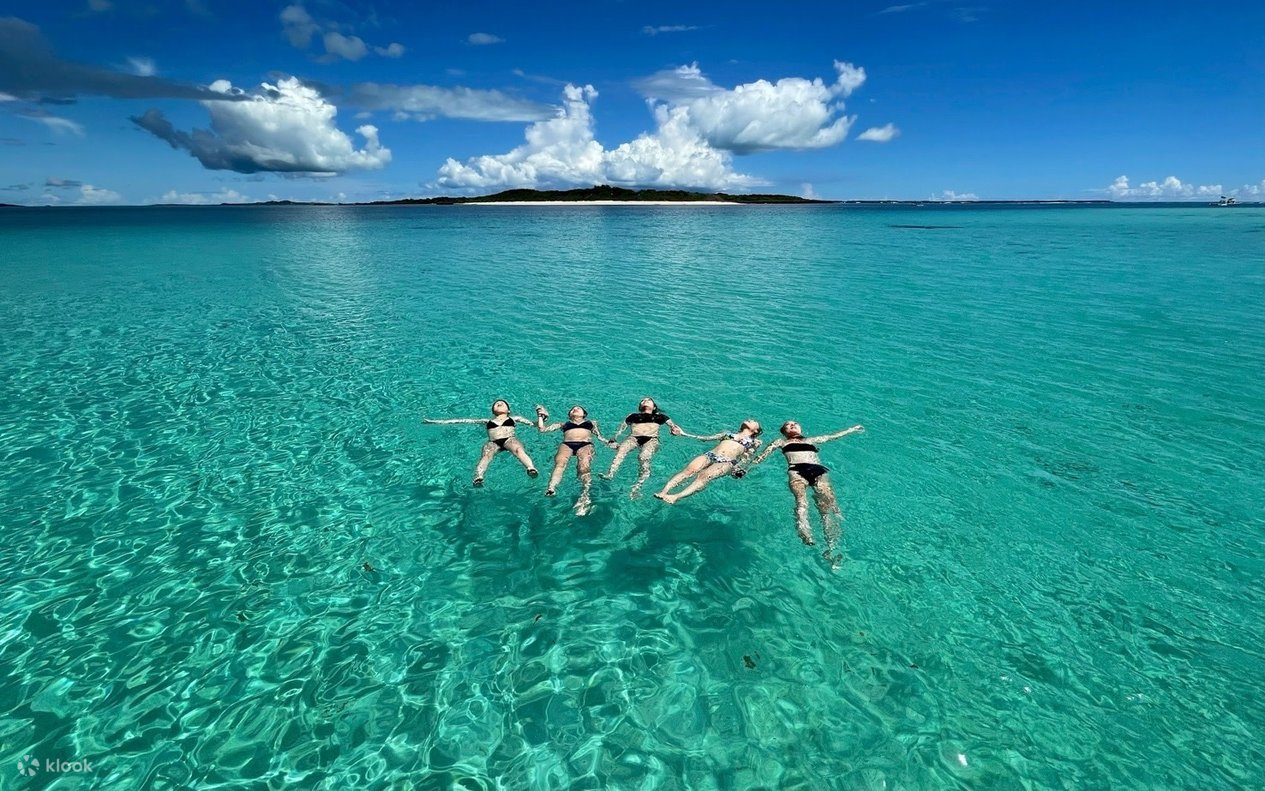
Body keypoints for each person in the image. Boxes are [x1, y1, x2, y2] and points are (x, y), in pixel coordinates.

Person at [744, 421, 864, 552]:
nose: (792, 425)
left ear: (800, 428)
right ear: (784, 432)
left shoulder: (811, 440)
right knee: (801, 501)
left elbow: (832, 436)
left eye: (795, 423)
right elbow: (763, 455)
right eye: (788, 425)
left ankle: (831, 546)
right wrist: (747, 468)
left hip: (818, 470)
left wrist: (851, 430)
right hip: (796, 470)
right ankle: (805, 532)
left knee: (826, 508)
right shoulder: (781, 442)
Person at [422, 399, 539, 486]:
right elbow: (461, 421)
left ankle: (530, 468)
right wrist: (434, 422)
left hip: (509, 439)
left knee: (518, 449)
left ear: (508, 410)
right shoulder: (487, 421)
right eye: (496, 404)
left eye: (502, 403)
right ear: (493, 411)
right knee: (486, 456)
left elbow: (534, 425)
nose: (499, 403)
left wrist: (540, 417)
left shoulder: (515, 418)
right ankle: (478, 476)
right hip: (493, 442)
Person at [654, 419, 763, 504]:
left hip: (727, 461)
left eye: (753, 421)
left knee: (704, 476)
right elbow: (705, 438)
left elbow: (749, 457)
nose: (750, 419)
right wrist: (683, 433)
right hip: (710, 455)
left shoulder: (755, 442)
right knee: (688, 471)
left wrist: (741, 468)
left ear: (756, 431)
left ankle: (676, 496)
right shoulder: (727, 433)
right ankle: (664, 491)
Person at [535, 404, 617, 514]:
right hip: (567, 444)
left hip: (585, 444)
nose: (575, 409)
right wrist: (540, 416)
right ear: (569, 415)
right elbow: (542, 429)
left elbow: (599, 436)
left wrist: (609, 443)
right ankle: (551, 488)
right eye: (573, 409)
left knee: (584, 467)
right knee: (560, 464)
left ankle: (585, 493)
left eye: (579, 408)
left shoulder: (591, 423)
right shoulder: (563, 424)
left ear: (584, 414)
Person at [603, 397, 684, 497]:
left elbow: (673, 426)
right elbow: (621, 428)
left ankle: (638, 486)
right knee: (621, 450)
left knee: (643, 457)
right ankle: (610, 474)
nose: (645, 401)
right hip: (633, 438)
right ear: (640, 406)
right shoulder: (632, 416)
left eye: (648, 400)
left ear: (654, 407)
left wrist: (674, 430)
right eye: (643, 401)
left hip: (651, 439)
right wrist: (614, 438)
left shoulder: (661, 417)